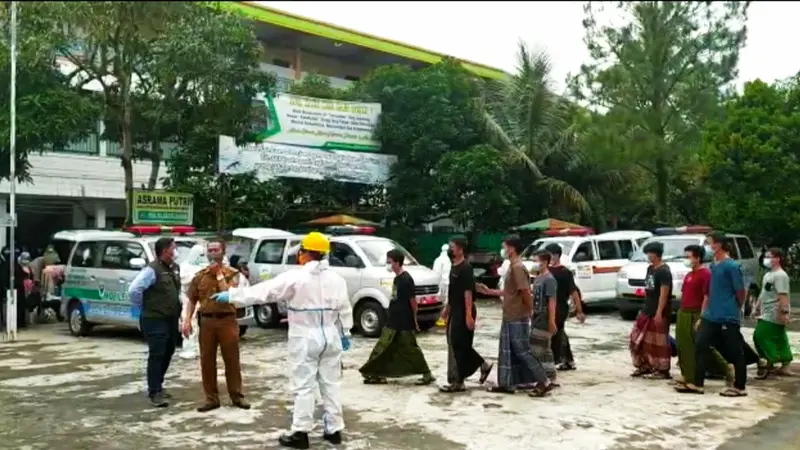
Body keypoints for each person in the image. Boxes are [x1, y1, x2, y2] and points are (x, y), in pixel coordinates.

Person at [210, 232, 353, 449]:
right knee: (330, 385)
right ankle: (334, 430)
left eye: (301, 251)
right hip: (331, 336)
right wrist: (346, 334)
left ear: (305, 253)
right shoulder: (337, 279)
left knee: (304, 386)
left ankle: (300, 433)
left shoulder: (295, 277)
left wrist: (231, 296)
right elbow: (345, 309)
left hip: (305, 336)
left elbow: (263, 292)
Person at [477, 236, 553, 396]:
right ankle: (507, 383)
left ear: (511, 248)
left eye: (504, 246)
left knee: (522, 350)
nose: (503, 250)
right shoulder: (513, 267)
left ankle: (544, 380)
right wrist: (490, 292)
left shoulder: (518, 267)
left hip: (518, 316)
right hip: (510, 314)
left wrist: (532, 312)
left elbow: (525, 291)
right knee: (507, 351)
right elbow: (511, 292)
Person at [183, 237, 250, 413]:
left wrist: (218, 274)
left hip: (227, 320)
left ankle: (237, 396)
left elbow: (230, 293)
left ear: (223, 252)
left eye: (216, 250)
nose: (212, 253)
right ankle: (211, 399)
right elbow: (191, 299)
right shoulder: (199, 276)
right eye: (210, 250)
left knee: (232, 360)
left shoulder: (232, 273)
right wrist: (186, 320)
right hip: (207, 321)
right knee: (207, 361)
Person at [360, 249, 435, 385]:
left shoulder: (406, 279)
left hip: (404, 321)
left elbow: (413, 302)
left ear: (397, 263)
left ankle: (427, 374)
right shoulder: (397, 279)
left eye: (390, 262)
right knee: (383, 347)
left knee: (411, 349)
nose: (388, 265)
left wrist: (415, 319)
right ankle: (372, 372)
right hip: (393, 320)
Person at [690, 232, 748, 397]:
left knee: (735, 350)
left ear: (719, 244)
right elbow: (709, 292)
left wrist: (736, 306)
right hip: (711, 315)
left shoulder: (731, 266)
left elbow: (740, 291)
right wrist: (703, 314)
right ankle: (697, 383)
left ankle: (739, 386)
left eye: (710, 243)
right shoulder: (713, 266)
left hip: (727, 315)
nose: (708, 247)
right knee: (700, 344)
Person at [128, 237, 182, 408]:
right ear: (165, 250)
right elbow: (134, 290)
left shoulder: (174, 268)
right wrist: (142, 307)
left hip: (171, 318)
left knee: (169, 351)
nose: (176, 251)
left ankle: (159, 384)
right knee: (157, 353)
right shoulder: (151, 270)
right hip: (154, 318)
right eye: (174, 248)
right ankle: (154, 391)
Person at [674, 245, 731, 392]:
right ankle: (688, 375)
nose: (686, 259)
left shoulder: (705, 274)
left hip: (697, 313)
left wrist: (702, 316)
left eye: (688, 256)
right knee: (684, 345)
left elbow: (707, 296)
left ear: (697, 258)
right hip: (684, 313)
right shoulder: (688, 275)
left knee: (701, 345)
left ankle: (726, 368)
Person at [439, 236, 493, 393]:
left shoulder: (466, 268)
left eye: (452, 247)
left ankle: (458, 380)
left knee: (458, 344)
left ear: (460, 249)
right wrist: (447, 309)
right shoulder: (454, 266)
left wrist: (468, 315)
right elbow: (453, 291)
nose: (450, 249)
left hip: (464, 310)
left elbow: (468, 292)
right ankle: (481, 365)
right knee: (455, 343)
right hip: (455, 310)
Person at [629, 241, 673, 379]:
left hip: (658, 311)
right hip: (646, 309)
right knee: (638, 339)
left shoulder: (664, 271)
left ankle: (662, 369)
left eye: (650, 253)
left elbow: (664, 294)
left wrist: (659, 312)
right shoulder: (650, 269)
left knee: (658, 342)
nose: (648, 256)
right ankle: (645, 365)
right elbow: (649, 289)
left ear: (656, 254)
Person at [752, 247, 793, 378]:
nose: (766, 259)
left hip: (774, 312)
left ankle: (770, 361)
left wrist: (784, 312)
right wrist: (756, 306)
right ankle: (785, 364)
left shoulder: (781, 276)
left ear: (777, 259)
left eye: (769, 256)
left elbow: (783, 295)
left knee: (760, 336)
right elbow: (764, 293)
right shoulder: (768, 275)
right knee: (779, 337)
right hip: (765, 310)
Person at [544, 243, 585, 371]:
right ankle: (567, 360)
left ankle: (555, 361)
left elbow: (573, 292)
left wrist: (579, 311)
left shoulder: (565, 272)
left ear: (556, 256)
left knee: (555, 332)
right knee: (559, 333)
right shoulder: (545, 271)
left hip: (560, 307)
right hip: (546, 307)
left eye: (548, 255)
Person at [529, 250, 559, 386]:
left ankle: (543, 379)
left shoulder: (550, 280)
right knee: (545, 349)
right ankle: (551, 377)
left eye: (537, 261)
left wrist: (552, 321)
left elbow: (552, 301)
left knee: (537, 348)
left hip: (544, 317)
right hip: (536, 316)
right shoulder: (538, 278)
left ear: (545, 262)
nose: (535, 264)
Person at [177, 244, 209, 360]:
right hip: (188, 298)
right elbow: (184, 280)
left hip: (204, 298)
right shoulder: (184, 267)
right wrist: (195, 276)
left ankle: (201, 348)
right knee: (188, 321)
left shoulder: (207, 266)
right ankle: (189, 348)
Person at [432, 244, 451, 327]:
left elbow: (435, 272)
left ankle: (443, 318)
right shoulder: (450, 260)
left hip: (442, 283)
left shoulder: (438, 260)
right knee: (447, 301)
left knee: (443, 301)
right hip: (447, 283)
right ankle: (444, 318)